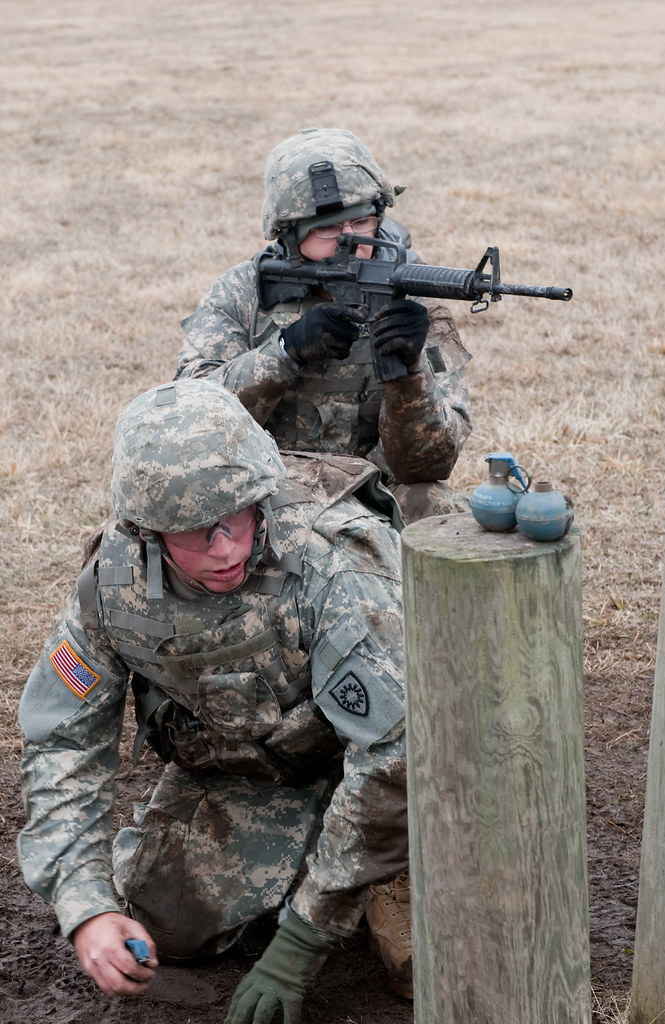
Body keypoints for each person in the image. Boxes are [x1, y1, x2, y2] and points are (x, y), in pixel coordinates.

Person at [17, 378, 412, 1023]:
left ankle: (384, 872)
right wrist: (83, 903)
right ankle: (311, 857)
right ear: (147, 530)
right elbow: (63, 737)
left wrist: (300, 942)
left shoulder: (334, 561)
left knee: (427, 964)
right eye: (195, 533)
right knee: (163, 925)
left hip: (382, 778)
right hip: (251, 772)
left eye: (236, 518)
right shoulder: (112, 587)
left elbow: (395, 755)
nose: (224, 546)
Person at [175, 126, 472, 524]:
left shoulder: (415, 292)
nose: (349, 241)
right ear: (291, 235)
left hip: (376, 496)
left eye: (362, 222)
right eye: (328, 227)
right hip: (268, 497)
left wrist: (409, 376)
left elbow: (429, 466)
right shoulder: (242, 293)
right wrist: (284, 352)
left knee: (439, 510)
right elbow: (189, 424)